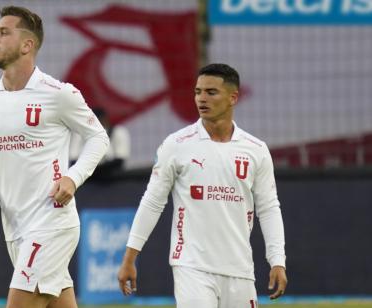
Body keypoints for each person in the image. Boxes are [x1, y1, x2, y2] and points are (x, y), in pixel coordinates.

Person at [117, 63, 287, 307]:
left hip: (240, 269)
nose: (201, 99)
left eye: (211, 92)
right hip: (191, 266)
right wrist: (129, 258)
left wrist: (277, 260)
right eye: (198, 92)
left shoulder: (256, 150)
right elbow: (152, 202)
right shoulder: (176, 144)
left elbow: (269, 207)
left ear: (233, 98)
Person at [0, 6, 109, 308]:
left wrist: (73, 177)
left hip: (52, 222)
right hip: (16, 225)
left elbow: (98, 137)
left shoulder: (59, 94)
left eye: (3, 33)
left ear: (27, 45)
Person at [70, 108, 130, 178]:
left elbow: (120, 159)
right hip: (86, 179)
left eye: (98, 120)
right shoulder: (79, 134)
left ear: (105, 119)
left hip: (111, 177)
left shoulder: (118, 132)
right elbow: (73, 159)